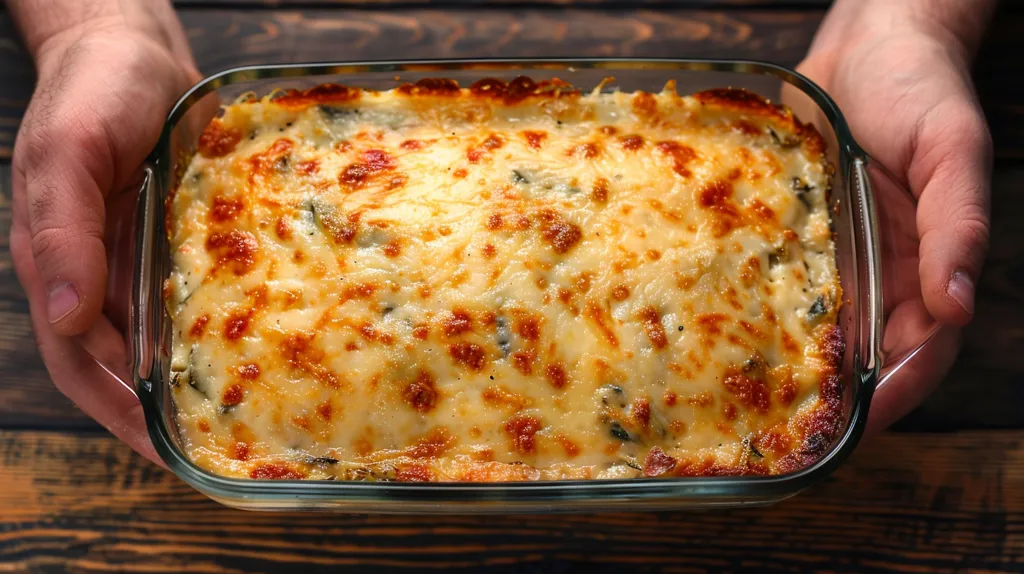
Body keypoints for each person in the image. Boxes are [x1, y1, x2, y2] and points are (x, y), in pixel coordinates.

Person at [7, 0, 995, 465]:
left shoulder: (774, 152)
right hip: (259, 276)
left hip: (725, 201)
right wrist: (92, 26)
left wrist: (913, 24)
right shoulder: (226, 154)